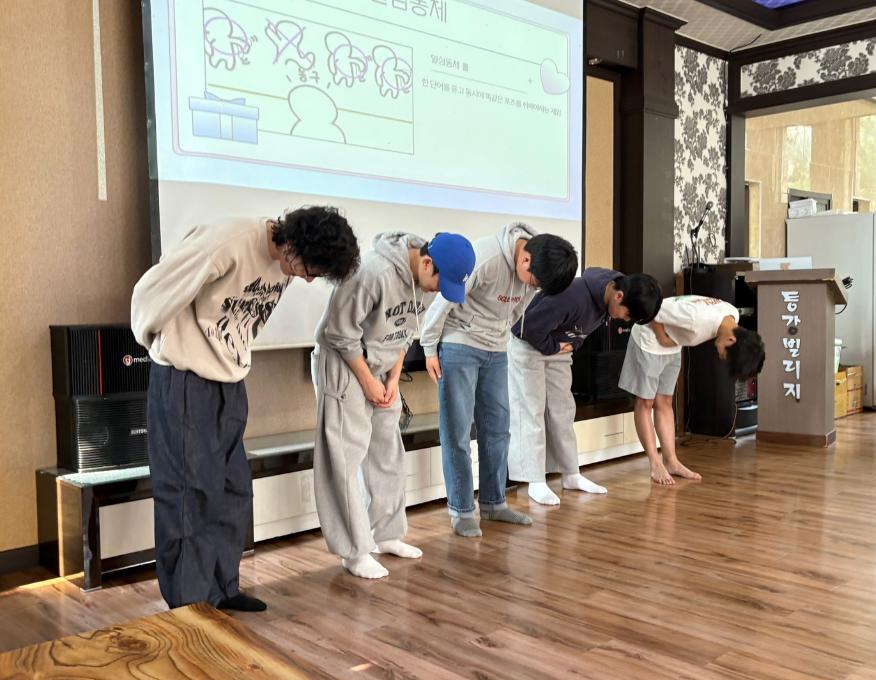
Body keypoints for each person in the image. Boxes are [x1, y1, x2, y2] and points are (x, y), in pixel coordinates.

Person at [131, 206, 360, 611]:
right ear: (294, 244)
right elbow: (152, 291)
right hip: (185, 380)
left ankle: (221, 590)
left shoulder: (285, 264)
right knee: (189, 496)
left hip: (229, 382)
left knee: (233, 489)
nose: (308, 279)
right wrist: (162, 346)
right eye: (310, 270)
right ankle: (189, 606)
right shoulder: (229, 242)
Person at [312, 231, 475, 578]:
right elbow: (338, 333)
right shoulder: (372, 272)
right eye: (440, 283)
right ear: (427, 263)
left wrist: (391, 379)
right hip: (343, 363)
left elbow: (404, 335)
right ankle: (354, 552)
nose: (438, 291)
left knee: (388, 453)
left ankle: (385, 534)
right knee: (344, 458)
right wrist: (367, 381)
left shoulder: (424, 283)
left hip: (383, 369)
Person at [420, 222, 578, 537]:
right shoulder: (486, 257)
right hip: (460, 344)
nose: (532, 288)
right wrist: (429, 348)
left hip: (496, 350)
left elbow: (518, 311)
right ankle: (462, 511)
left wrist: (502, 335)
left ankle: (494, 504)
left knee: (497, 430)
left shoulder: (535, 274)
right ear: (525, 259)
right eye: (534, 281)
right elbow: (444, 301)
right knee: (457, 431)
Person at [508, 269, 662, 505]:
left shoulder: (614, 291)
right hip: (528, 345)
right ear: (619, 296)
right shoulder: (572, 295)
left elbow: (581, 332)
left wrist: (571, 345)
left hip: (558, 348)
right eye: (628, 315)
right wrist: (557, 347)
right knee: (532, 410)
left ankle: (570, 473)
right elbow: (526, 328)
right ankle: (534, 480)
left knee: (562, 412)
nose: (625, 320)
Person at [619, 295, 765, 485]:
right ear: (731, 339)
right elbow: (651, 307)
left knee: (664, 402)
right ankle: (655, 464)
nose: (722, 358)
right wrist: (662, 338)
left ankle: (671, 461)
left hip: (672, 347)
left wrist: (668, 342)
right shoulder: (695, 318)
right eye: (726, 356)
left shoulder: (731, 314)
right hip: (648, 341)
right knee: (646, 402)